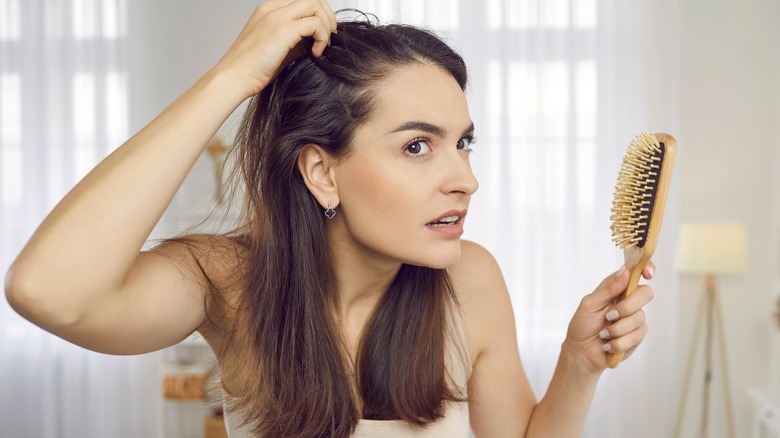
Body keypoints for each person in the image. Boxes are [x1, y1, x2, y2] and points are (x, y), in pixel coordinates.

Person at [4, 0, 656, 437]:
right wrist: (230, 77)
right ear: (322, 172)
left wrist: (578, 363)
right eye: (417, 146)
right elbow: (47, 291)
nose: (465, 178)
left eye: (463, 143)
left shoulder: (470, 278)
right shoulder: (227, 281)